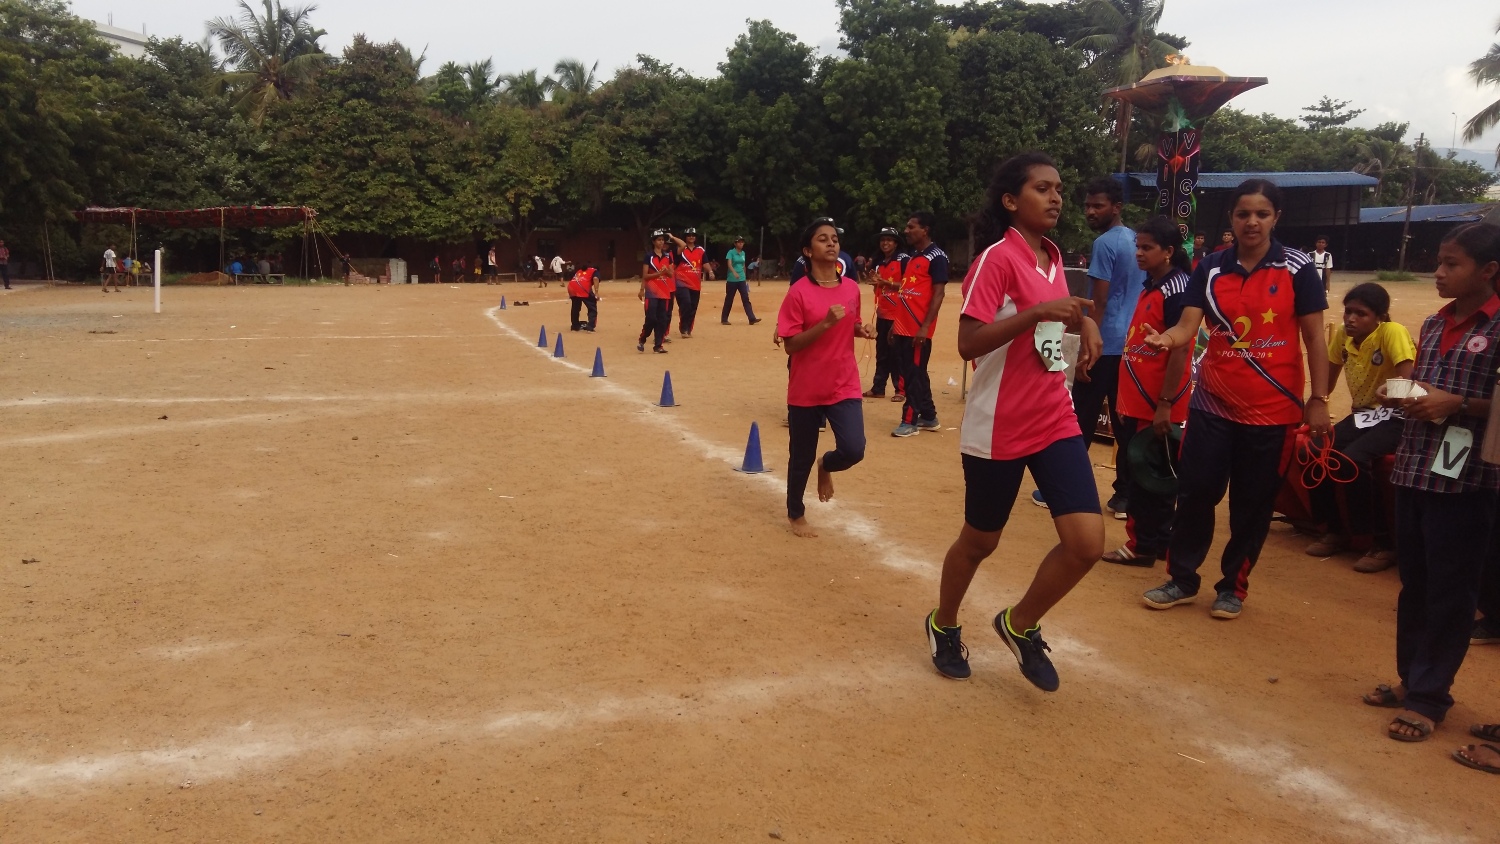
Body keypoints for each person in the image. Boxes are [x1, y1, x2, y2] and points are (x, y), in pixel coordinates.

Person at [924, 151, 1104, 689]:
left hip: (1055, 417)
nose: (1056, 198)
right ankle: (944, 621)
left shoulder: (1050, 257)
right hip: (998, 423)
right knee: (981, 541)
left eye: (1059, 189)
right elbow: (966, 343)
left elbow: (1060, 312)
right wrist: (1036, 315)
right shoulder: (995, 260)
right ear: (1011, 200)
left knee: (1086, 545)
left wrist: (1085, 324)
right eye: (1043, 188)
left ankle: (1019, 624)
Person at [1138, 179, 1331, 620]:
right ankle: (1182, 579)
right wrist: (1165, 338)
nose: (1252, 222)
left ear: (1276, 218)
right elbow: (1188, 328)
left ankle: (1233, 588)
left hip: (1274, 412)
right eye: (1243, 213)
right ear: (1231, 218)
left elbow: (1315, 337)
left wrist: (1318, 398)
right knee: (1195, 494)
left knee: (1252, 503)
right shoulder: (1210, 268)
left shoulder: (1298, 268)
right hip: (1212, 406)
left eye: (1262, 214)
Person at [1365, 222, 1500, 744]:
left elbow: (1484, 405)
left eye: (1452, 265)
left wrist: (1459, 405)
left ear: (1488, 271)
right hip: (1416, 465)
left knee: (1451, 589)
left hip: (1470, 479)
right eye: (1438, 263)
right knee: (1415, 582)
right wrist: (1405, 394)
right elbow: (1428, 387)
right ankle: (1411, 678)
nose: (1439, 273)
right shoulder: (1434, 321)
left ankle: (1429, 697)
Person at [1040, 178, 1146, 518]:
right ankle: (1125, 496)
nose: (1089, 211)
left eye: (1097, 206)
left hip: (1105, 342)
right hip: (1132, 344)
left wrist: (1088, 346)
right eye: (1087, 205)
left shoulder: (1104, 243)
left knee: (1079, 417)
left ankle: (1063, 486)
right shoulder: (1135, 240)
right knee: (1124, 422)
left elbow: (1098, 301)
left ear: (1116, 207)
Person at [1101, 216, 1194, 566]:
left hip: (1158, 402)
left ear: (1168, 251)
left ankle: (1141, 545)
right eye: (1137, 246)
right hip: (1139, 401)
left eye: (1146, 248)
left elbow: (1179, 349)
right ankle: (1156, 542)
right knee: (1149, 474)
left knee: (1149, 477)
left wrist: (1165, 405)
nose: (1138, 253)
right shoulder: (1152, 285)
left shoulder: (1177, 290)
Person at [1304, 283, 1415, 572]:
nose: (1351, 319)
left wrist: (1390, 396)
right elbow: (1326, 381)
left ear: (1379, 317)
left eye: (1361, 314)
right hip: (1364, 414)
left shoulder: (1393, 333)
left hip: (1398, 415)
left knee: (1353, 458)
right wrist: (1318, 403)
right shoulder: (1342, 336)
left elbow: (1408, 382)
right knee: (1317, 448)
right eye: (1348, 312)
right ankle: (1334, 530)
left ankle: (1380, 542)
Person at [777, 218, 874, 538]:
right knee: (800, 455)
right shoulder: (798, 293)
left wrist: (862, 329)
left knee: (854, 448)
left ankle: (827, 466)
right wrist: (823, 326)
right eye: (822, 239)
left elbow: (852, 322)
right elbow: (790, 344)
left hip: (843, 381)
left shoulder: (850, 288)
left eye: (834, 238)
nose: (831, 243)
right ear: (808, 250)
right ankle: (796, 514)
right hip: (806, 385)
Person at [890, 212, 949, 437]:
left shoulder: (937, 257)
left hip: (918, 328)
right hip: (904, 326)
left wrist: (925, 327)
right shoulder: (914, 256)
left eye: (910, 226)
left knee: (913, 375)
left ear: (925, 230)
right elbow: (907, 291)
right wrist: (896, 325)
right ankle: (929, 416)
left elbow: (938, 294)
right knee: (915, 372)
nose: (906, 230)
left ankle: (909, 421)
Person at [862, 227, 906, 402]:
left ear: (896, 242)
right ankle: (878, 387)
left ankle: (900, 390)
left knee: (897, 354)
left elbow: (906, 285)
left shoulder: (903, 260)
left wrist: (884, 282)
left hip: (898, 314)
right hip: (882, 313)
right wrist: (875, 283)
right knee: (882, 353)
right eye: (882, 240)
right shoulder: (880, 263)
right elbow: (880, 287)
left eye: (889, 240)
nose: (885, 243)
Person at [637, 231, 674, 353]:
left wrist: (666, 271)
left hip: (664, 292)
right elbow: (645, 275)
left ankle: (658, 345)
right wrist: (642, 289)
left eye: (662, 240)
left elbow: (670, 274)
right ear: (653, 242)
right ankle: (643, 338)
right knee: (651, 318)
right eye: (659, 240)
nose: (661, 242)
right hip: (652, 293)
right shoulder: (649, 256)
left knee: (662, 319)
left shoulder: (667, 256)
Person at [788, 219, 852, 284]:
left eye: (835, 240)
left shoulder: (852, 286)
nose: (831, 243)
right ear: (807, 251)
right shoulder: (798, 291)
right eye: (823, 240)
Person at [670, 228, 705, 337]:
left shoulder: (700, 250)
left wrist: (711, 271)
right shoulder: (680, 250)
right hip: (681, 282)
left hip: (695, 283)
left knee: (693, 307)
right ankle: (684, 327)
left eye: (693, 235)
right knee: (686, 303)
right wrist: (671, 237)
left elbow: (706, 262)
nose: (691, 237)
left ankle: (688, 328)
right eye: (689, 235)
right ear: (685, 237)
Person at [721, 236, 760, 325]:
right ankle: (724, 318)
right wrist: (734, 272)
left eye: (742, 242)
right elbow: (729, 264)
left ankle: (751, 318)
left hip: (741, 279)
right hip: (732, 279)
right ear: (735, 244)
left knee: (745, 298)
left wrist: (745, 276)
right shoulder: (731, 252)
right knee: (729, 299)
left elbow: (743, 265)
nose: (741, 244)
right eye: (739, 242)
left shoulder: (743, 253)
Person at [568, 264, 600, 331]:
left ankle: (575, 325)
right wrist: (596, 293)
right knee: (592, 306)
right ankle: (590, 327)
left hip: (571, 287)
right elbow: (595, 278)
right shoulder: (595, 271)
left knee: (575, 307)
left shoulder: (580, 271)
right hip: (582, 287)